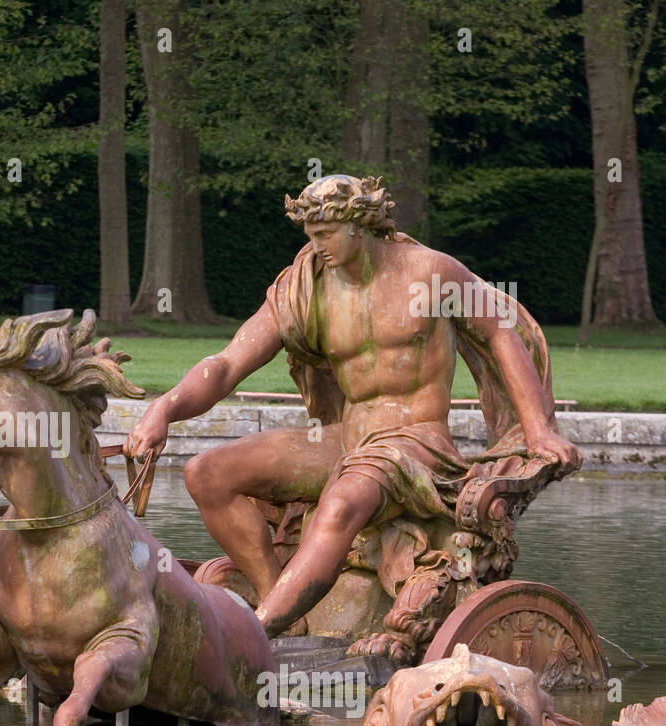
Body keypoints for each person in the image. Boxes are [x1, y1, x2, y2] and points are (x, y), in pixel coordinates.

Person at [123, 174, 580, 643]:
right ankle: (279, 606)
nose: (315, 247)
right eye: (310, 236)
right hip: (347, 440)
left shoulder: (428, 272)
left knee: (341, 500)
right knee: (207, 473)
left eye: (324, 234)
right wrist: (164, 409)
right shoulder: (307, 288)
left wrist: (538, 429)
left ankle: (252, 636)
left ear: (360, 224)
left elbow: (501, 331)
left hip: (416, 444)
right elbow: (224, 366)